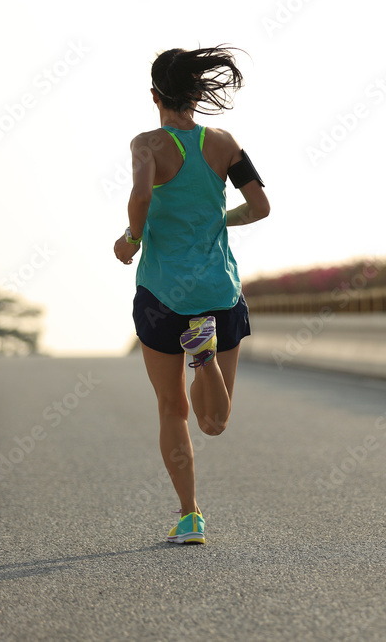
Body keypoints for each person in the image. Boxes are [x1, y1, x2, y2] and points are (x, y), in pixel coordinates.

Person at [113, 46, 270, 545]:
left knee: (171, 409)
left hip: (163, 293)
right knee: (215, 422)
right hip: (219, 292)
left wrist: (132, 239)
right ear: (199, 95)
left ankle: (190, 516)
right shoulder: (223, 143)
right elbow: (261, 206)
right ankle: (204, 356)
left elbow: (140, 196)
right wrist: (218, 218)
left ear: (154, 95)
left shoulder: (147, 144)